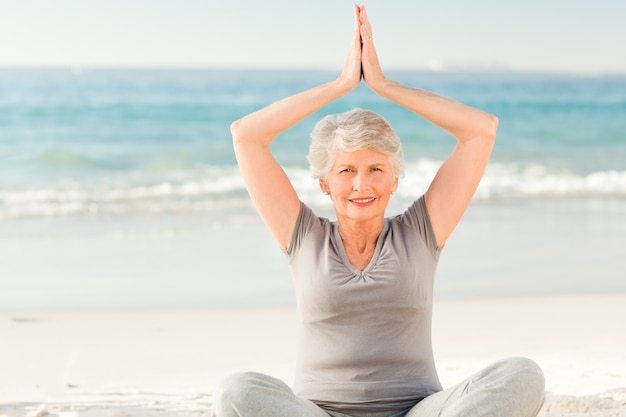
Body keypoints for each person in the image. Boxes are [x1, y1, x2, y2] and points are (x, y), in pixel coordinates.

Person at [212, 4, 545, 417]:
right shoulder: (303, 237)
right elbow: (246, 136)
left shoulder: (421, 232)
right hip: (319, 413)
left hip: (418, 411)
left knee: (522, 374)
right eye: (346, 170)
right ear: (325, 183)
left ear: (395, 179)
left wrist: (384, 84)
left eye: (375, 170)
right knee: (235, 391)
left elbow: (481, 131)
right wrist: (341, 84)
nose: (361, 185)